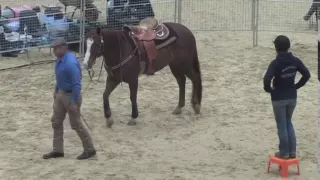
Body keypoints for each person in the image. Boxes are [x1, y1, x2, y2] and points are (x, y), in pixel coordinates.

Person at [43, 38, 96, 160]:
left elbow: (77, 84)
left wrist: (73, 102)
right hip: (61, 93)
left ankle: (90, 149)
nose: (54, 51)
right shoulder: (60, 60)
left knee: (76, 124)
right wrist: (56, 91)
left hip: (71, 95)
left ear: (63, 48)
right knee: (56, 121)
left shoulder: (71, 63)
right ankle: (58, 150)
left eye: (56, 49)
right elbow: (60, 77)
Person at [263, 35, 311, 159]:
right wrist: (296, 86)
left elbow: (267, 79)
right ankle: (292, 152)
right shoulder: (295, 60)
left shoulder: (276, 63)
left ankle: (284, 153)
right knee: (288, 122)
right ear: (288, 47)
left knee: (282, 125)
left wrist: (269, 90)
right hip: (292, 97)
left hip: (279, 98)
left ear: (276, 48)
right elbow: (306, 74)